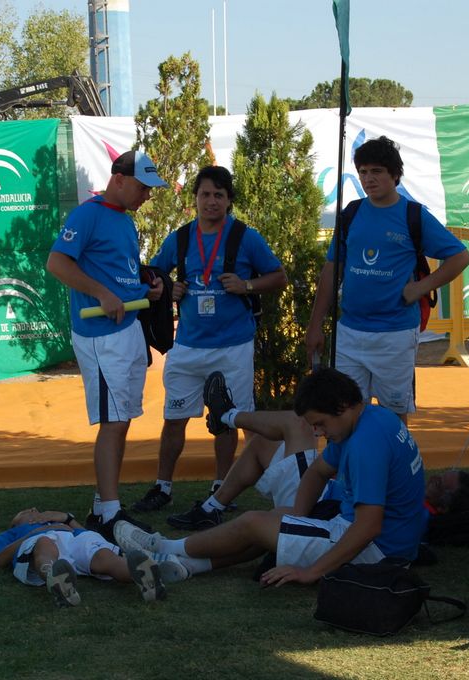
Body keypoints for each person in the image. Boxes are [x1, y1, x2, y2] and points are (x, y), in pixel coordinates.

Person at [113, 368, 430, 586]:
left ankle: (164, 546)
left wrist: (311, 573)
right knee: (272, 524)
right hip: (374, 536)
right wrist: (297, 518)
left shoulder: (365, 444)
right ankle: (186, 564)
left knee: (254, 523)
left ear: (343, 406)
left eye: (320, 423)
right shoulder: (371, 417)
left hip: (378, 552)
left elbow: (368, 526)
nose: (317, 432)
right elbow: (318, 471)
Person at [131, 166, 287, 513]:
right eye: (205, 194)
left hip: (233, 346)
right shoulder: (180, 238)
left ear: (229, 200)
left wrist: (247, 285)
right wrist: (169, 287)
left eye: (219, 195)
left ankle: (220, 489)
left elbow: (279, 277)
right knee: (174, 418)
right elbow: (153, 274)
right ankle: (162, 487)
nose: (211, 201)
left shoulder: (246, 237)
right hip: (187, 345)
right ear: (195, 199)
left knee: (228, 419)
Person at [305, 135, 469, 421]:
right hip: (350, 332)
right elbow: (332, 268)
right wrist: (315, 325)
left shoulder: (413, 215)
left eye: (377, 171)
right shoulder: (351, 214)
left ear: (395, 175)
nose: (368, 178)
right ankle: (353, 454)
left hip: (395, 334)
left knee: (392, 417)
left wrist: (421, 287)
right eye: (363, 172)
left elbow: (460, 257)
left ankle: (391, 453)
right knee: (343, 414)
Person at [46, 149, 167, 541]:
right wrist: (101, 293)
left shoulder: (125, 221)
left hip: (128, 329)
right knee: (113, 422)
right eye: (142, 187)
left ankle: (104, 507)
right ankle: (110, 515)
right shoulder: (88, 214)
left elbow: (122, 273)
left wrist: (147, 287)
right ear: (118, 179)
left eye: (150, 189)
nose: (147, 195)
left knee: (122, 419)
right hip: (100, 335)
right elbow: (57, 263)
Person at [165, 370, 333, 530]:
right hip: (324, 501)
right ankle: (209, 509)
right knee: (263, 443)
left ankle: (226, 416)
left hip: (319, 510)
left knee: (299, 424)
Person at [0, 507, 191, 605]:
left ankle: (145, 579)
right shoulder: (11, 534)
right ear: (16, 523)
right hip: (43, 538)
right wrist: (37, 532)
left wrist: (66, 518)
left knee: (102, 556)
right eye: (26, 511)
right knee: (44, 544)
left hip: (75, 537)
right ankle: (54, 575)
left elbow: (83, 533)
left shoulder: (57, 521)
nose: (34, 509)